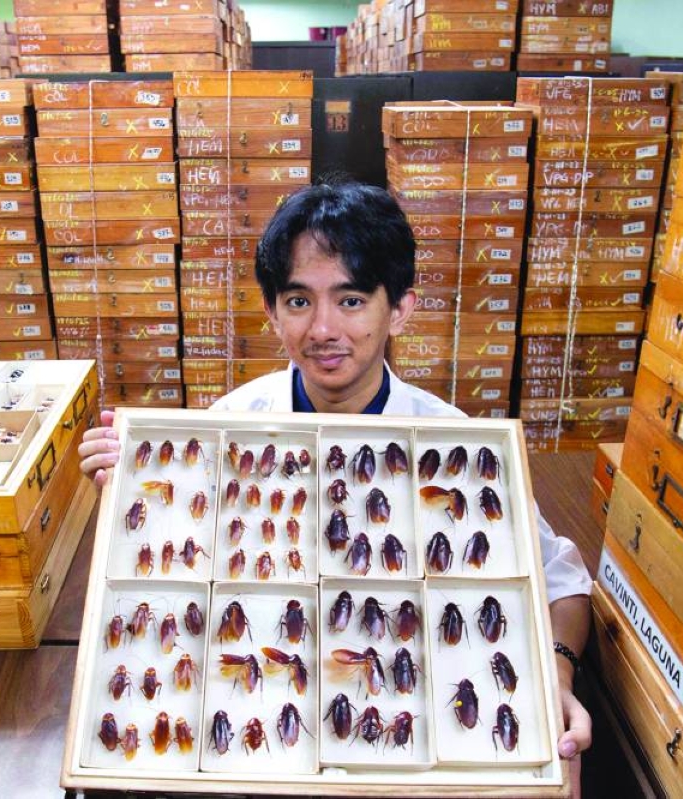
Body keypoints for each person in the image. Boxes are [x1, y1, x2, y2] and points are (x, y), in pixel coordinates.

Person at [79, 179, 593, 776]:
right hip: (266, 730)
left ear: (399, 308)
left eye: (350, 301)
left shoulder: (453, 436)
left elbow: (561, 578)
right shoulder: (229, 428)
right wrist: (127, 488)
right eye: (299, 301)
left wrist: (555, 673)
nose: (322, 329)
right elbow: (174, 571)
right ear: (273, 311)